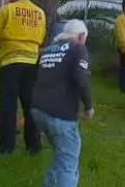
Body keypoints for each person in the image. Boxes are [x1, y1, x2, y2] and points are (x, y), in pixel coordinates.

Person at [0, 0, 46, 156]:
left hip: (11, 64)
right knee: (30, 107)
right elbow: (42, 39)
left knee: (8, 106)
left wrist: (7, 36)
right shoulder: (40, 13)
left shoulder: (7, 10)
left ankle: (6, 146)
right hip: (32, 65)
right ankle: (33, 147)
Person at [31, 19, 94, 187]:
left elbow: (35, 76)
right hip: (60, 114)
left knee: (61, 154)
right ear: (81, 35)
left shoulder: (48, 50)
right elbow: (81, 79)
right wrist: (88, 106)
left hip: (37, 109)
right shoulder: (78, 48)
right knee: (68, 163)